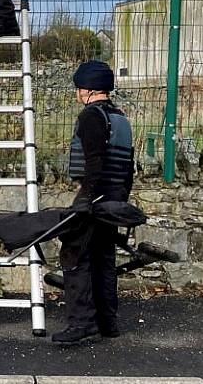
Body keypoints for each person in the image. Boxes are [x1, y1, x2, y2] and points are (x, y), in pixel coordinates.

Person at [53, 61, 135, 344]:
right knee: (104, 259)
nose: (77, 93)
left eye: (78, 88)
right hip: (114, 198)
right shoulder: (121, 118)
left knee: (75, 256)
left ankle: (82, 323)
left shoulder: (91, 116)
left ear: (87, 89)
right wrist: (120, 200)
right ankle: (107, 323)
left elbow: (94, 160)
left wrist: (85, 199)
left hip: (94, 197)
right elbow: (128, 167)